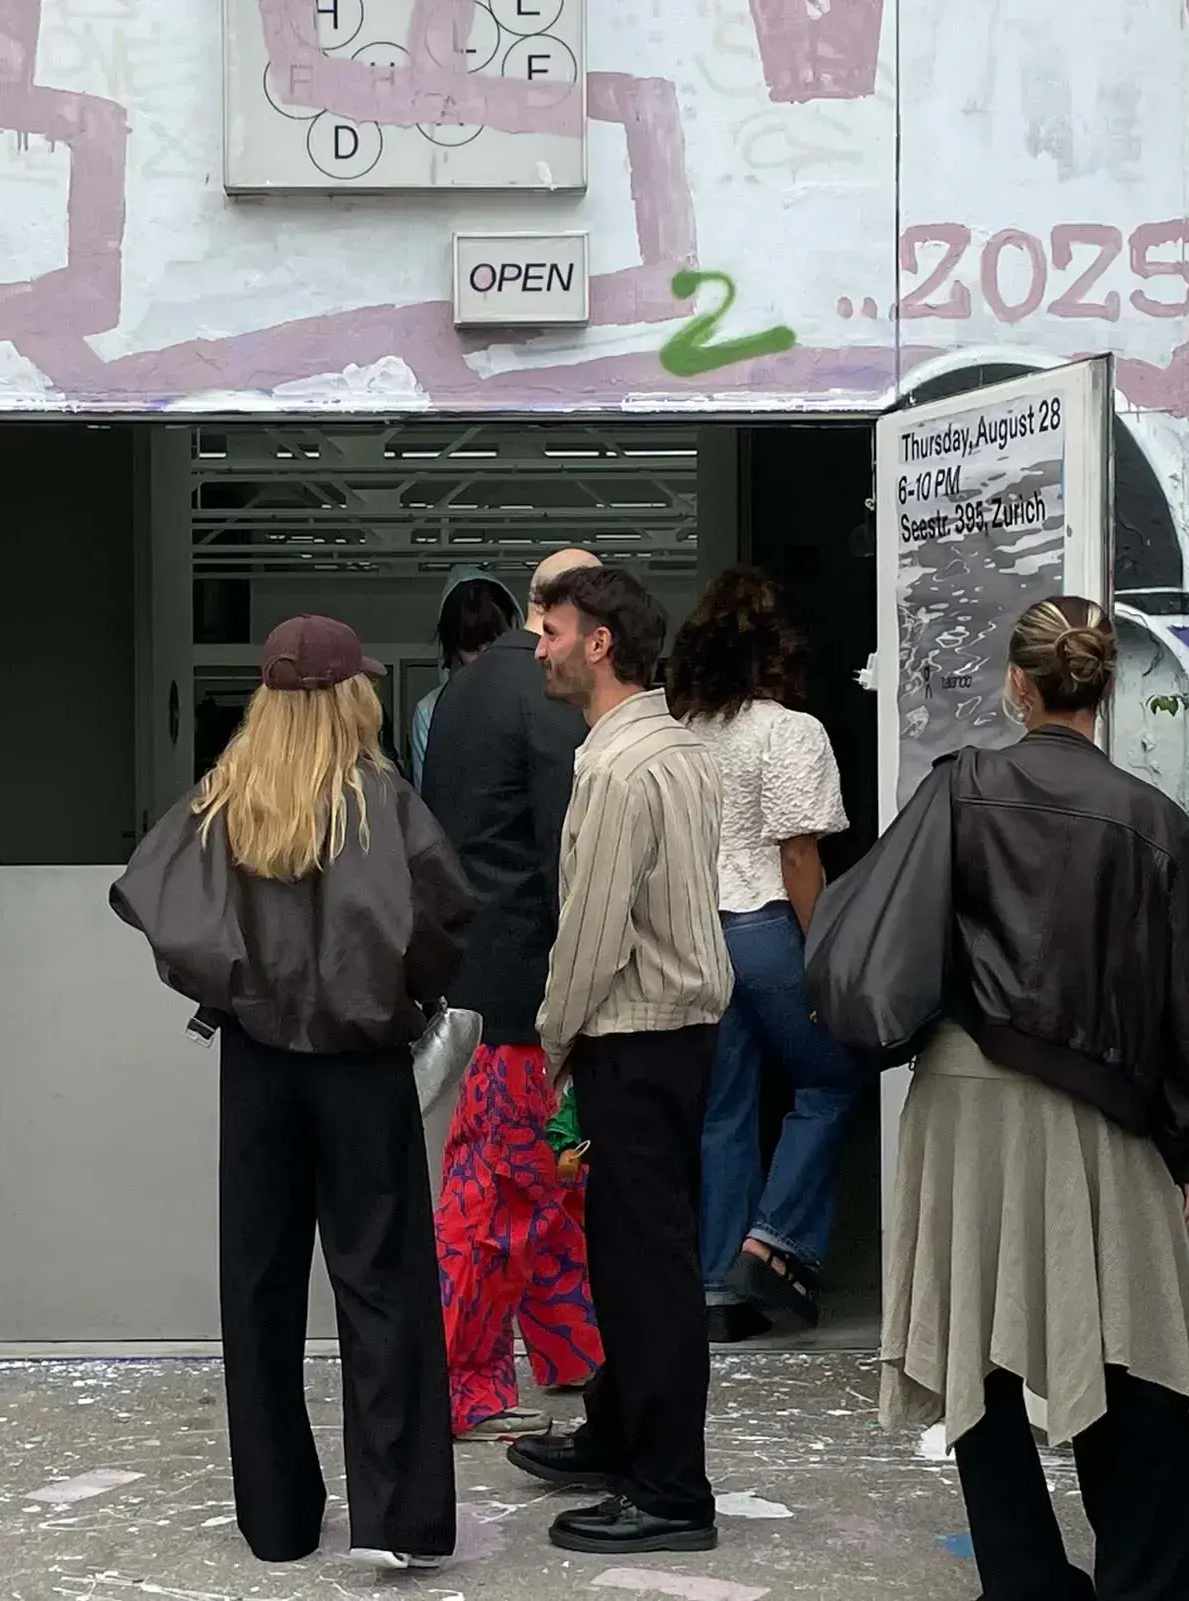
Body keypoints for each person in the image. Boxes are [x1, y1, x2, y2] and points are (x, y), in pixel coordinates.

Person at [845, 595, 1189, 1601]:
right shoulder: (1157, 823)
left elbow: (893, 938)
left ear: (1017, 685)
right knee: (1131, 1340)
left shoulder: (957, 788)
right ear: (1104, 689)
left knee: (978, 1344)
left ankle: (1021, 1578)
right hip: (1098, 1109)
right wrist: (1182, 1146)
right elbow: (1175, 1014)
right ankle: (1153, 1574)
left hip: (964, 1094)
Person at [110, 613, 470, 1573]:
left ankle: (277, 1520)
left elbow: (155, 902)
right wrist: (406, 993)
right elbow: (443, 918)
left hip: (258, 1064)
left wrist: (238, 984)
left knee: (259, 1285)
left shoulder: (225, 799)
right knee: (384, 1281)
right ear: (353, 694)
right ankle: (396, 1517)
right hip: (360, 1067)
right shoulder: (383, 802)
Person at [502, 564, 732, 1556]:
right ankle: (618, 1434)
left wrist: (552, 1042)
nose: (538, 644)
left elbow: (591, 933)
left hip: (631, 1036)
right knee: (640, 1256)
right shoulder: (678, 748)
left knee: (645, 1273)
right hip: (675, 1036)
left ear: (598, 642)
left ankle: (670, 1489)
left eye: (549, 628)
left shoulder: (613, 767)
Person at [421, 547, 607, 1442]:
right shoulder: (543, 701)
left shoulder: (462, 691)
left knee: (544, 1182)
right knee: (496, 1193)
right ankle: (456, 1379)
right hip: (531, 991)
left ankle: (576, 1354)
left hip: (477, 976)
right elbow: (560, 857)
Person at [664, 566, 857, 1339]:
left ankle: (718, 1291)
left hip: (697, 931)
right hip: (766, 926)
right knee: (834, 1080)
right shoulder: (790, 731)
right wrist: (826, 951)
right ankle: (772, 1246)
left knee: (724, 1107)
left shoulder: (681, 733)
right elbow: (799, 853)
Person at [410, 565, 521, 784]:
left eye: (493, 642)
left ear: (515, 627)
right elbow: (429, 798)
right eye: (471, 647)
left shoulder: (541, 698)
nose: (485, 657)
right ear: (452, 649)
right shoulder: (430, 712)